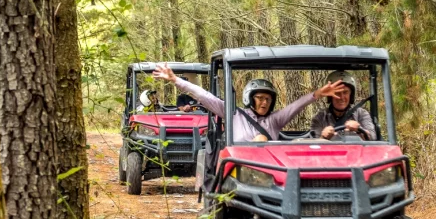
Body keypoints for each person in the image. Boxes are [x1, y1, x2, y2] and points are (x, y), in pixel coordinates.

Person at [152, 63, 345, 142]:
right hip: (240, 172)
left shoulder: (275, 120)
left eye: (268, 99)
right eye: (260, 98)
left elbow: (296, 106)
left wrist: (317, 94)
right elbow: (204, 96)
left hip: (270, 172)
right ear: (250, 98)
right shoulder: (233, 113)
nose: (264, 102)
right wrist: (176, 80)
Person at [311, 71, 375, 140]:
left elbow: (372, 137)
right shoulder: (320, 118)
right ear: (330, 96)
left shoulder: (361, 114)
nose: (341, 97)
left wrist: (359, 129)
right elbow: (313, 145)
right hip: (330, 151)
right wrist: (323, 137)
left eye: (345, 92)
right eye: (337, 93)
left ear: (351, 95)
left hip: (356, 150)